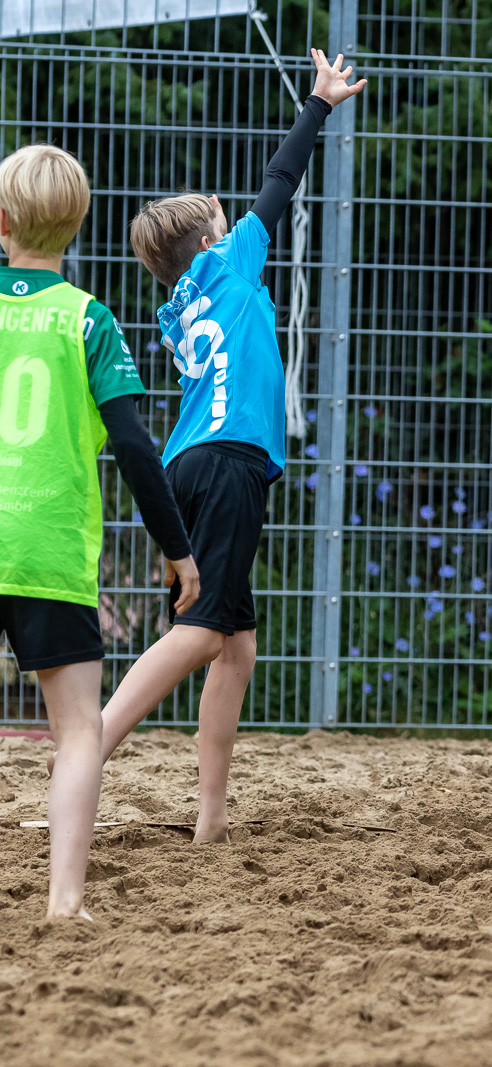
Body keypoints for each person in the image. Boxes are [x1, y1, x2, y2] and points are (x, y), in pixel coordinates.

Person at [92, 50, 366, 843]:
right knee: (203, 633)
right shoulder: (229, 260)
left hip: (190, 463)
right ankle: (90, 742)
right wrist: (318, 103)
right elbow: (280, 183)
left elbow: (219, 227)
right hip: (229, 460)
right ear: (213, 234)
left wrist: (204, 222)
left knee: (235, 646)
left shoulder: (179, 300)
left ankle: (210, 817)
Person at [0, 143, 200, 918]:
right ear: (77, 225)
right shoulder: (89, 319)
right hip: (50, 550)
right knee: (80, 731)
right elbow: (136, 450)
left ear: (2, 222)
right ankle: (64, 901)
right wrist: (178, 551)